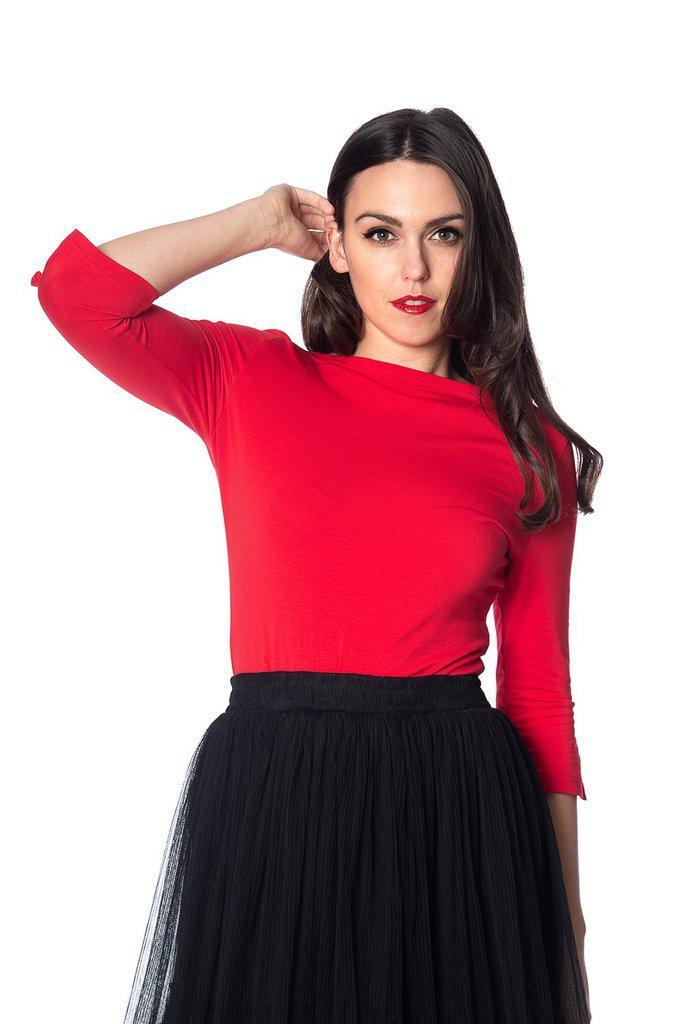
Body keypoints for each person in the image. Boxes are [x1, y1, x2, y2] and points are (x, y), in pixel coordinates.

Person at [31, 106, 600, 1023]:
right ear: (337, 245)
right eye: (380, 233)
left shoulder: (529, 447)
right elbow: (76, 294)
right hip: (277, 789)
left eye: (444, 234)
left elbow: (538, 688)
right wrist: (259, 222)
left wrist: (565, 915)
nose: (413, 271)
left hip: (455, 808)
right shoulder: (251, 380)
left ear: (480, 247)